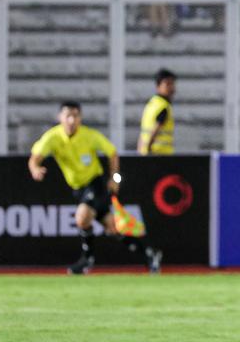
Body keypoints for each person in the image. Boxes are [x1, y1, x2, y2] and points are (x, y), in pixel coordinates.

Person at [28, 101, 162, 275]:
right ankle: (150, 254)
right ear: (60, 117)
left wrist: (114, 178)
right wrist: (35, 169)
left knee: (82, 218)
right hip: (78, 189)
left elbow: (112, 152)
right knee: (112, 227)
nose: (71, 120)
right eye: (68, 116)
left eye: (75, 116)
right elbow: (35, 158)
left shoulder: (89, 136)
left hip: (95, 183)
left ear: (80, 118)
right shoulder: (52, 137)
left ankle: (87, 259)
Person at [138, 69, 177, 155]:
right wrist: (149, 150)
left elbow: (143, 133)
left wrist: (140, 152)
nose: (171, 87)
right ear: (158, 86)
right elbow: (154, 131)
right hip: (159, 155)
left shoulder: (151, 103)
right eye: (167, 84)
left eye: (172, 84)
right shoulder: (163, 107)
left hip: (145, 153)